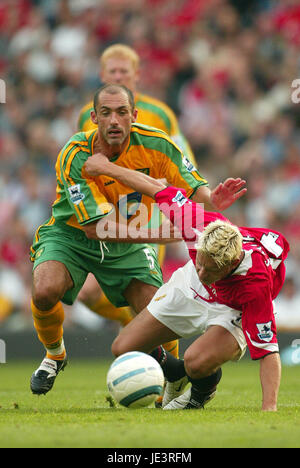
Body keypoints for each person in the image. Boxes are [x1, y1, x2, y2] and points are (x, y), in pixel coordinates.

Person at [30, 83, 245, 395]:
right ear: (94, 117)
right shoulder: (75, 154)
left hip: (126, 242)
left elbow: (198, 194)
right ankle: (54, 355)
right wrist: (161, 235)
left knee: (157, 313)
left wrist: (212, 200)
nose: (114, 120)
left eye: (121, 112)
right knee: (45, 290)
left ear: (134, 115)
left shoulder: (158, 145)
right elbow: (97, 227)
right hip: (72, 235)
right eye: (106, 113)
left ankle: (173, 374)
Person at [83, 153, 289, 412]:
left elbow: (269, 352)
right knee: (123, 347)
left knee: (196, 361)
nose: (202, 271)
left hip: (233, 308)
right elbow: (155, 186)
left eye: (210, 269)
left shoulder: (254, 284)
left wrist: (268, 409)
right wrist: (107, 168)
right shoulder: (196, 223)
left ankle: (200, 393)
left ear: (230, 265)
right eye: (199, 261)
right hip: (190, 287)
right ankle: (176, 373)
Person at [77, 44, 197, 358]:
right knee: (88, 293)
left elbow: (181, 161)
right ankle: (132, 321)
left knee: (148, 296)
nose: (118, 76)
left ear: (137, 76)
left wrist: (178, 203)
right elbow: (83, 164)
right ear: (103, 76)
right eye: (112, 72)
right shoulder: (85, 117)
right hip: (107, 214)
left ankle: (169, 369)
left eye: (124, 72)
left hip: (147, 215)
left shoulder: (160, 114)